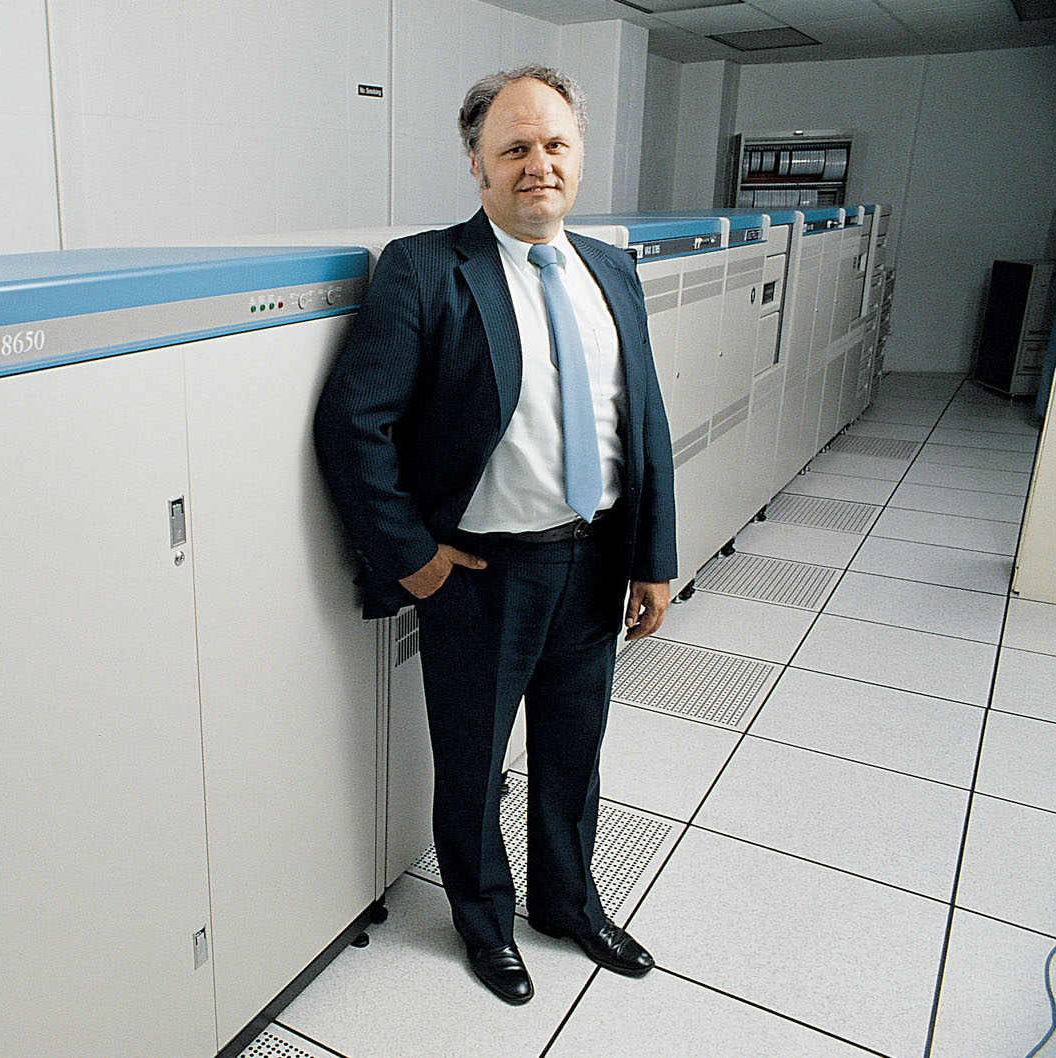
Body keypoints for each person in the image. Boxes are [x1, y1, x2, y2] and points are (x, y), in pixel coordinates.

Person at [313, 65, 676, 1006]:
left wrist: (653, 558)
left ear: (579, 158)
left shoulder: (612, 269)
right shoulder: (426, 268)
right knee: (472, 763)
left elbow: (644, 424)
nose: (537, 164)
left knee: (574, 747)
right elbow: (354, 426)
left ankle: (566, 901)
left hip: (594, 560)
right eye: (513, 147)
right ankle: (484, 919)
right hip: (479, 573)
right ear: (477, 166)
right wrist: (415, 559)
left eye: (554, 144)